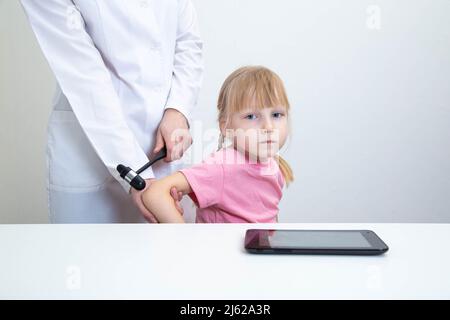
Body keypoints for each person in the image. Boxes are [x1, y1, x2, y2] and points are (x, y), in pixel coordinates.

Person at [20, 0, 204, 223]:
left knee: (169, 254)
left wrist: (177, 109)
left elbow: (188, 40)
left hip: (163, 153)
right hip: (90, 158)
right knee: (85, 256)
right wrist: (135, 175)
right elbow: (83, 75)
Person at [141, 66, 294, 223]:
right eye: (251, 116)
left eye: (277, 115)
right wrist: (184, 242)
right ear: (226, 127)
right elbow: (155, 193)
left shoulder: (274, 164)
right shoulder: (223, 166)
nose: (268, 127)